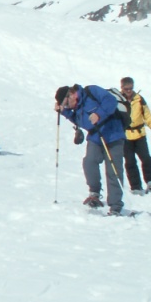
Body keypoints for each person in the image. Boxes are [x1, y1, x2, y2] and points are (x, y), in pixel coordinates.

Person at [55, 83, 127, 215]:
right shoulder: (77, 107)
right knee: (89, 162)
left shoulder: (91, 91)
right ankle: (94, 193)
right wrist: (63, 111)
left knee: (113, 171)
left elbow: (110, 101)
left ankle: (115, 205)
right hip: (95, 137)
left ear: (71, 95)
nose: (68, 107)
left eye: (66, 104)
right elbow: (79, 121)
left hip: (113, 134)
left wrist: (99, 114)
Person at [119, 77, 151, 195]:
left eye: (131, 88)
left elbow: (146, 114)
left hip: (140, 134)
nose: (129, 91)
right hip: (126, 136)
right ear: (122, 88)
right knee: (130, 161)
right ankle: (135, 186)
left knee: (146, 158)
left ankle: (150, 181)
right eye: (126, 89)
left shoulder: (139, 99)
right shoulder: (119, 100)